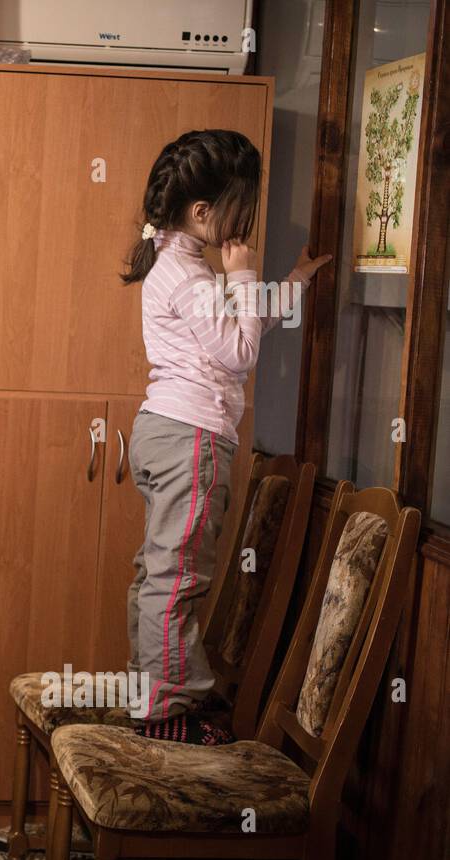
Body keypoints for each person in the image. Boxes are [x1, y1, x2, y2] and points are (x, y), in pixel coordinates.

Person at [119, 129, 332, 744]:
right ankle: (168, 713)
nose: (248, 224)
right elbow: (239, 352)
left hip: (166, 431)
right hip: (191, 439)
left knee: (157, 572)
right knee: (177, 578)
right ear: (203, 211)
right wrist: (244, 273)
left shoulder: (174, 259)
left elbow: (239, 325)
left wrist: (292, 281)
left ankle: (152, 695)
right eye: (243, 208)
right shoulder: (188, 276)